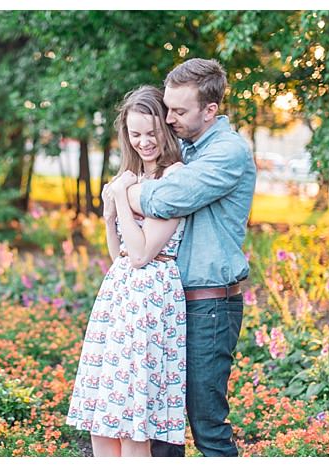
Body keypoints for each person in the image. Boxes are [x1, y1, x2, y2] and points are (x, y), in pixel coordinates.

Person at [125, 58, 256, 457]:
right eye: (168, 107)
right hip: (168, 303)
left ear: (210, 110)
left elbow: (166, 199)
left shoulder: (228, 152)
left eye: (179, 111)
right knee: (163, 422)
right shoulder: (184, 148)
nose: (168, 118)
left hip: (210, 304)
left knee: (206, 423)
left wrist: (121, 193)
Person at [66, 85, 187, 457]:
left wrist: (119, 196)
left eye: (151, 133)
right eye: (135, 134)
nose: (144, 142)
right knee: (103, 423)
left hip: (151, 300)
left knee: (134, 425)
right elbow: (118, 253)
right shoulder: (133, 176)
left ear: (165, 129)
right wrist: (107, 218)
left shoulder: (175, 177)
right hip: (119, 297)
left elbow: (141, 253)